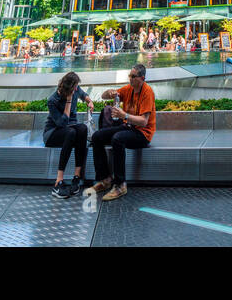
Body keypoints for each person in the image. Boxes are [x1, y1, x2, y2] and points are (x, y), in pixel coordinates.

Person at [92, 64, 155, 201]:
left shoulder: (147, 92)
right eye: (129, 76)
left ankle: (120, 184)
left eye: (133, 76)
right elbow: (104, 97)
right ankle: (105, 179)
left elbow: (144, 122)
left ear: (142, 78)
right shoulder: (128, 89)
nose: (130, 79)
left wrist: (124, 116)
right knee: (97, 137)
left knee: (117, 138)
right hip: (129, 128)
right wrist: (109, 92)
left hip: (143, 134)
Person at [45, 72, 93, 199]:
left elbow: (83, 95)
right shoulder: (53, 100)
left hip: (70, 129)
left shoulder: (76, 89)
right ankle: (58, 181)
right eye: (75, 88)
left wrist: (89, 101)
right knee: (71, 132)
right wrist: (69, 101)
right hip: (53, 133)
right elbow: (62, 123)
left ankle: (76, 178)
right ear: (68, 89)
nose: (77, 89)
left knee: (82, 128)